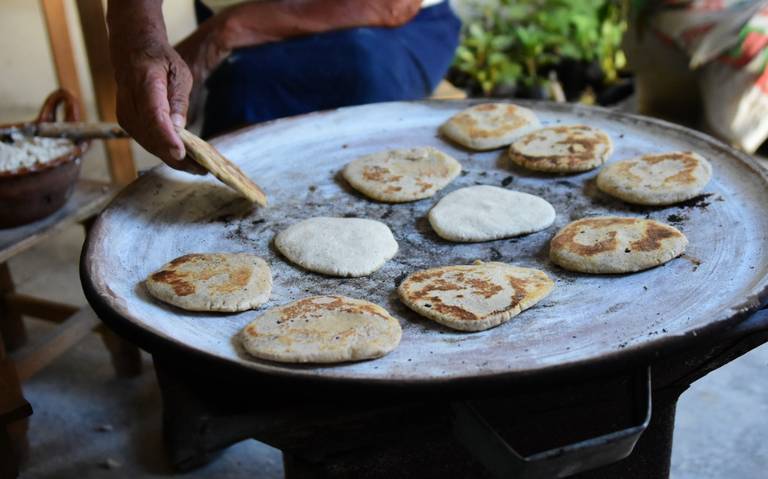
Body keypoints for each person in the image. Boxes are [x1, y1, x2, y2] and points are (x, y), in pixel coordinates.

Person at [106, 0, 461, 174]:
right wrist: (141, 43)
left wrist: (221, 34)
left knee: (358, 86)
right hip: (242, 42)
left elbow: (389, 4)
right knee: (241, 108)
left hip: (384, 29)